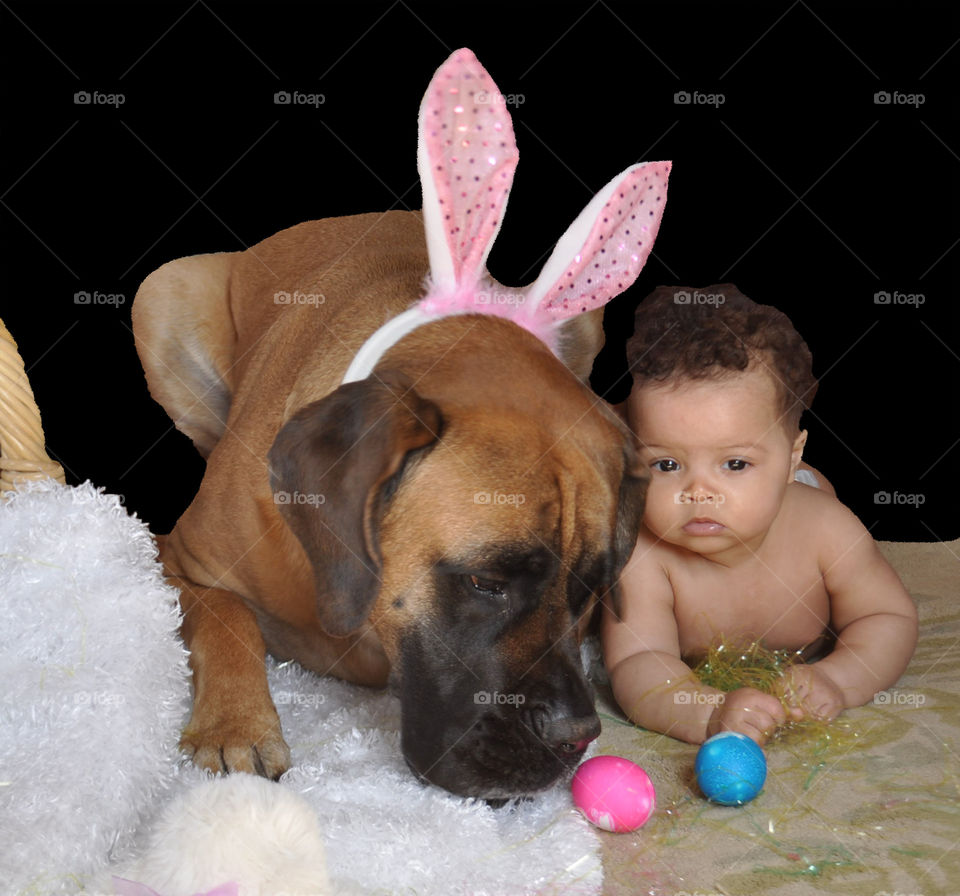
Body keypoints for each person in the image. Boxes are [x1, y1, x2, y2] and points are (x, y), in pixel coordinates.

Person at [602, 284, 918, 745]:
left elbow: (888, 616)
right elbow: (637, 662)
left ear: (791, 457)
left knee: (810, 494)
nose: (699, 494)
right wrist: (707, 712)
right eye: (666, 465)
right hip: (758, 494)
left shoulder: (826, 528)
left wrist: (839, 678)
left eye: (734, 464)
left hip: (793, 498)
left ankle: (793, 475)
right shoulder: (644, 557)